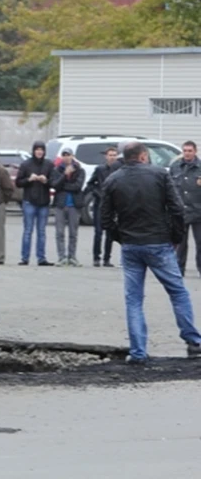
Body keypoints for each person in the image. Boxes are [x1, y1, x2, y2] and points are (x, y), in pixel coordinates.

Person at [102, 141, 201, 364]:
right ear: (144, 156)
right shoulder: (160, 175)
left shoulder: (112, 180)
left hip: (131, 245)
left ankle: (138, 352)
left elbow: (106, 219)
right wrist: (175, 238)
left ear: (124, 158)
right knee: (178, 292)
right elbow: (176, 209)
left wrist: (122, 238)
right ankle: (193, 341)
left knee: (134, 299)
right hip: (159, 242)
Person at [15, 141, 56, 266]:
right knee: (28, 231)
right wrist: (29, 179)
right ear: (33, 151)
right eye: (37, 149)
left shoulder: (49, 164)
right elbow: (18, 182)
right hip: (29, 201)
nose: (39, 152)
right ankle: (25, 257)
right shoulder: (26, 164)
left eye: (41, 150)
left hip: (44, 202)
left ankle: (41, 258)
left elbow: (54, 182)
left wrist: (46, 181)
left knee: (42, 232)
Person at [84, 147, 119, 268]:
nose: (112, 157)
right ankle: (96, 257)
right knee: (98, 232)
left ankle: (106, 258)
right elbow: (90, 184)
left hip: (113, 205)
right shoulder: (100, 169)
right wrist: (97, 192)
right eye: (110, 155)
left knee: (110, 233)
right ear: (106, 156)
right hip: (100, 203)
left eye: (114, 155)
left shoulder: (119, 170)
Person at [171, 141, 201, 277]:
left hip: (198, 211)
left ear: (195, 151)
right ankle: (179, 269)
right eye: (185, 151)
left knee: (200, 243)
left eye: (190, 151)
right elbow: (170, 188)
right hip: (181, 212)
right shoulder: (175, 167)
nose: (187, 153)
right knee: (180, 244)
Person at [52, 149, 86, 267]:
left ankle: (72, 257)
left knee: (73, 233)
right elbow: (55, 185)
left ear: (73, 156)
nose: (66, 157)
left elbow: (78, 186)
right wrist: (64, 175)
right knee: (59, 232)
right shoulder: (57, 170)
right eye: (64, 155)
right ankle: (61, 257)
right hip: (61, 205)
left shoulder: (80, 170)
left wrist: (64, 186)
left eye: (68, 155)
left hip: (74, 205)